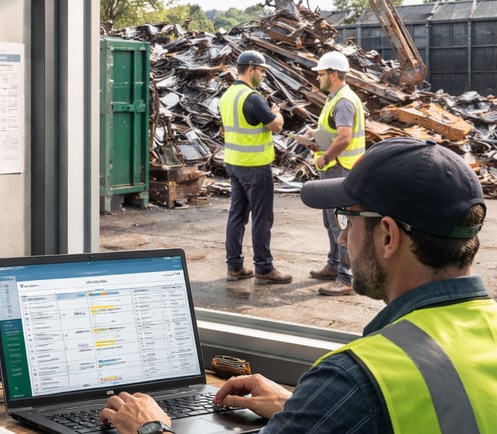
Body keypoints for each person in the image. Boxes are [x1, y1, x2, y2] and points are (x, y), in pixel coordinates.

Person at [101, 137, 495, 433]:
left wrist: (150, 428)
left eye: (349, 221)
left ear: (388, 236)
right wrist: (307, 408)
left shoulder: (357, 379)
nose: (344, 239)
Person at [217, 50, 291, 285]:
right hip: (255, 166)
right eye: (261, 71)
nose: (264, 75)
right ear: (250, 69)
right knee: (262, 218)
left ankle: (234, 266)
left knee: (236, 216)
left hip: (234, 163)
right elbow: (275, 126)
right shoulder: (252, 98)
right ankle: (264, 268)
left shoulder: (227, 96)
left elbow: (223, 130)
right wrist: (277, 114)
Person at [305, 51, 365, 296]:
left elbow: (344, 138)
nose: (317, 78)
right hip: (336, 168)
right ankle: (333, 265)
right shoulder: (335, 98)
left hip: (340, 169)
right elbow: (333, 132)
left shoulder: (343, 102)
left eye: (320, 74)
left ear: (333, 74)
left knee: (341, 223)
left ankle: (346, 277)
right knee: (330, 221)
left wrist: (326, 156)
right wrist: (315, 136)